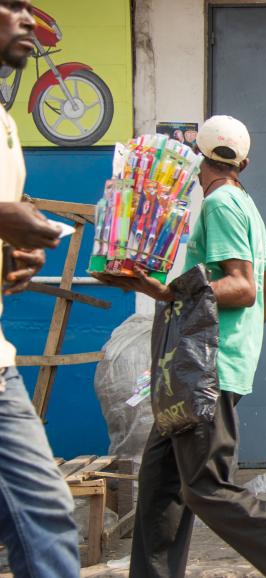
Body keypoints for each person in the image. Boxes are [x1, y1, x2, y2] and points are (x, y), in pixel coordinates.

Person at [98, 116, 266, 578]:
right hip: (194, 370)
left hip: (202, 372)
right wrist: (239, 339)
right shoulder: (246, 206)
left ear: (198, 158)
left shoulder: (220, 206)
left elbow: (244, 288)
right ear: (243, 163)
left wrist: (167, 292)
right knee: (160, 487)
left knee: (205, 485)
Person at [0, 1, 81, 576]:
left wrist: (17, 252)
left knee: (46, 513)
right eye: (8, 6)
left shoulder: (4, 125)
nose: (26, 19)